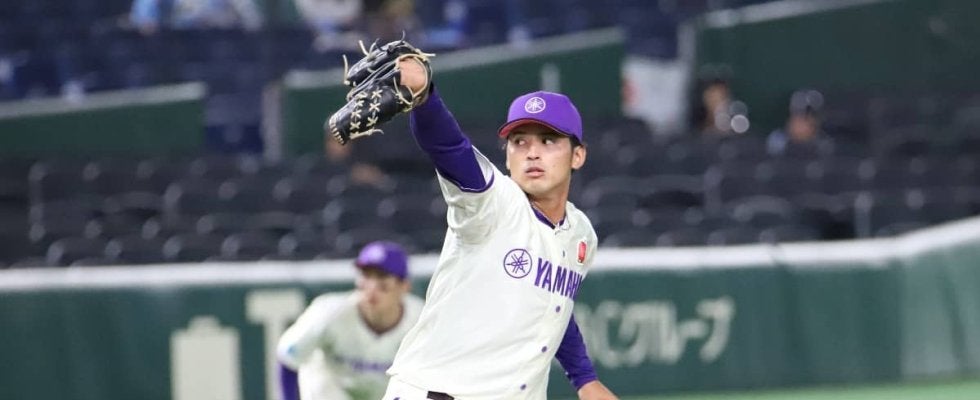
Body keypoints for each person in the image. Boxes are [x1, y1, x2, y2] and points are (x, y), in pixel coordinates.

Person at [372, 56, 619, 399]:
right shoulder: (493, 203)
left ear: (577, 155)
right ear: (507, 156)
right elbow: (450, 149)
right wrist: (426, 99)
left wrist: (584, 379)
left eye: (548, 141)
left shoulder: (581, 233)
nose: (532, 153)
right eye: (519, 141)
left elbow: (553, 306)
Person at [276, 241, 423, 400]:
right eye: (366, 276)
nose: (372, 287)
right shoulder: (328, 313)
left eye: (382, 278)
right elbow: (288, 358)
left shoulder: (421, 320)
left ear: (404, 286)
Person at [766, 89, 834, 157]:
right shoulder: (777, 142)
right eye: (798, 114)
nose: (802, 122)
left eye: (810, 115)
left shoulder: (825, 145)